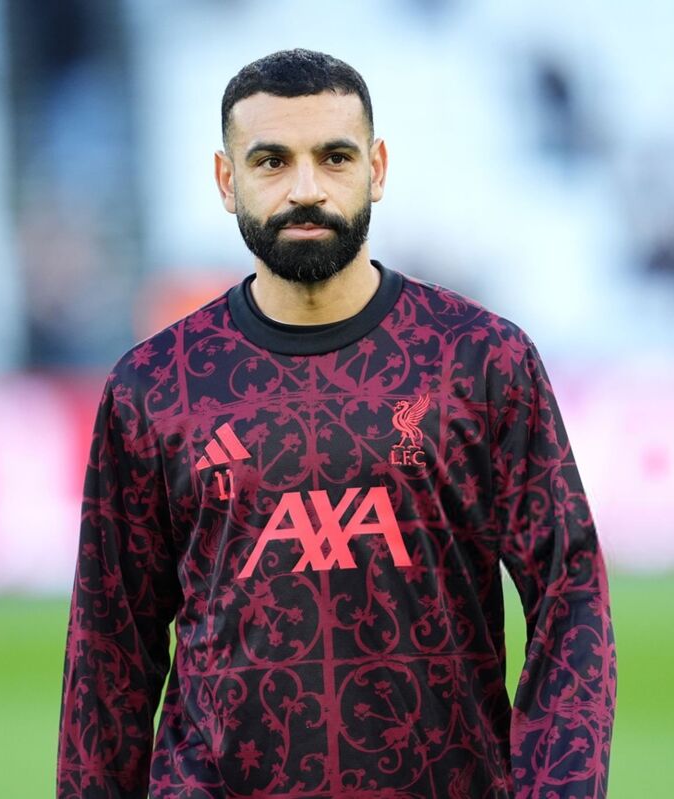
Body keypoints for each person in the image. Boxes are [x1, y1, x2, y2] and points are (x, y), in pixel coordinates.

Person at [57, 48, 616, 799]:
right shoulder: (153, 386)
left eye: (335, 157)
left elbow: (569, 595)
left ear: (376, 169)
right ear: (226, 181)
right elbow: (108, 655)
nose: (306, 189)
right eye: (271, 162)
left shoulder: (482, 360)